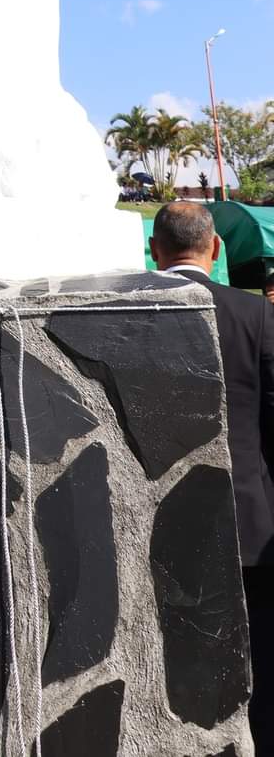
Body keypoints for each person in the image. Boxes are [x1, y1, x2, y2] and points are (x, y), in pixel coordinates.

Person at [150, 202, 274, 756]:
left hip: (163, 521)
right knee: (263, 659)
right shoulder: (255, 317)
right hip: (252, 519)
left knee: (180, 660)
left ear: (155, 251)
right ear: (216, 248)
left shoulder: (135, 312)